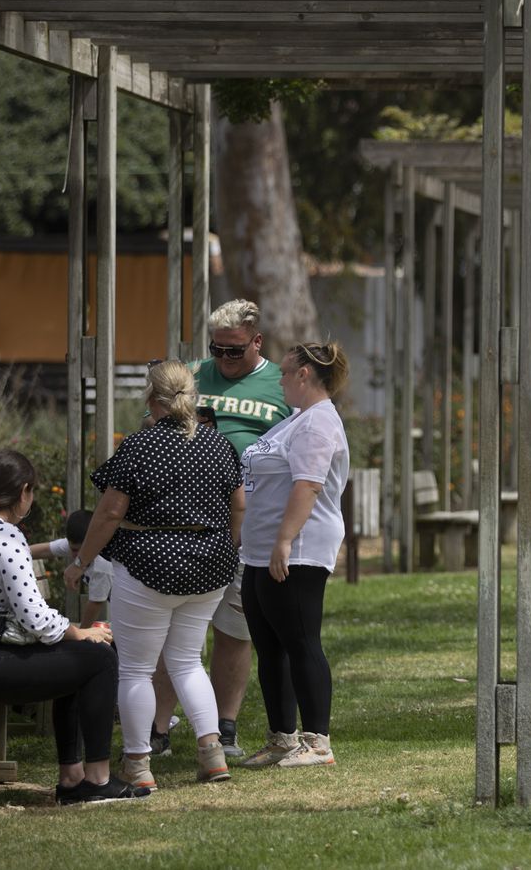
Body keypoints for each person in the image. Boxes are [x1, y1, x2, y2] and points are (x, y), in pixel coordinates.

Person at [0, 450, 140, 805]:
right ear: (24, 492)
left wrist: (69, 635)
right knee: (99, 658)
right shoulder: (6, 534)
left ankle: (74, 778)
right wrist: (80, 631)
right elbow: (35, 618)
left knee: (73, 656)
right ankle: (94, 780)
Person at [71, 360, 246, 791]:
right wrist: (227, 542)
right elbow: (239, 505)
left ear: (152, 397)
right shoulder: (219, 444)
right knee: (188, 660)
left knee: (135, 669)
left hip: (148, 564)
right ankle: (212, 752)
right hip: (209, 566)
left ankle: (138, 765)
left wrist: (81, 562)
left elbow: (110, 512)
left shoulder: (141, 445)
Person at [151, 299, 291, 760]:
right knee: (171, 633)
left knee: (235, 629)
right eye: (217, 350)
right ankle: (159, 728)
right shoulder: (191, 374)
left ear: (256, 341)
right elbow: (153, 427)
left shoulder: (281, 385)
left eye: (234, 351)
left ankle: (223, 728)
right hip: (186, 520)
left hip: (250, 524)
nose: (224, 360)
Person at [239, 342, 351, 769]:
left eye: (285, 373)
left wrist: (284, 540)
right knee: (270, 647)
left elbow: (308, 486)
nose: (279, 380)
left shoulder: (319, 423)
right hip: (261, 548)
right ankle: (282, 737)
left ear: (305, 374)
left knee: (301, 641)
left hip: (298, 548)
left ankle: (318, 741)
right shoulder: (295, 420)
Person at [31, 508, 112, 628]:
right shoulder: (77, 545)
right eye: (73, 549)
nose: (77, 555)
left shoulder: (102, 564)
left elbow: (95, 604)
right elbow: (45, 550)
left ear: (92, 542)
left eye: (80, 550)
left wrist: (81, 634)